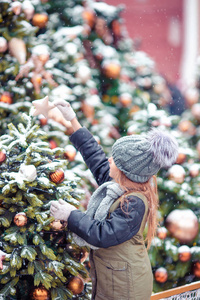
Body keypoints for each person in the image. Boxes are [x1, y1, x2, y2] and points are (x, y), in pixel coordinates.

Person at [50, 100, 179, 300]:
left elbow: (102, 234)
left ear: (127, 172)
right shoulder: (118, 185)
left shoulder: (134, 203)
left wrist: (71, 214)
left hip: (126, 288)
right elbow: (95, 157)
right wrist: (72, 120)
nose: (109, 160)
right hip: (114, 279)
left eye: (115, 160)